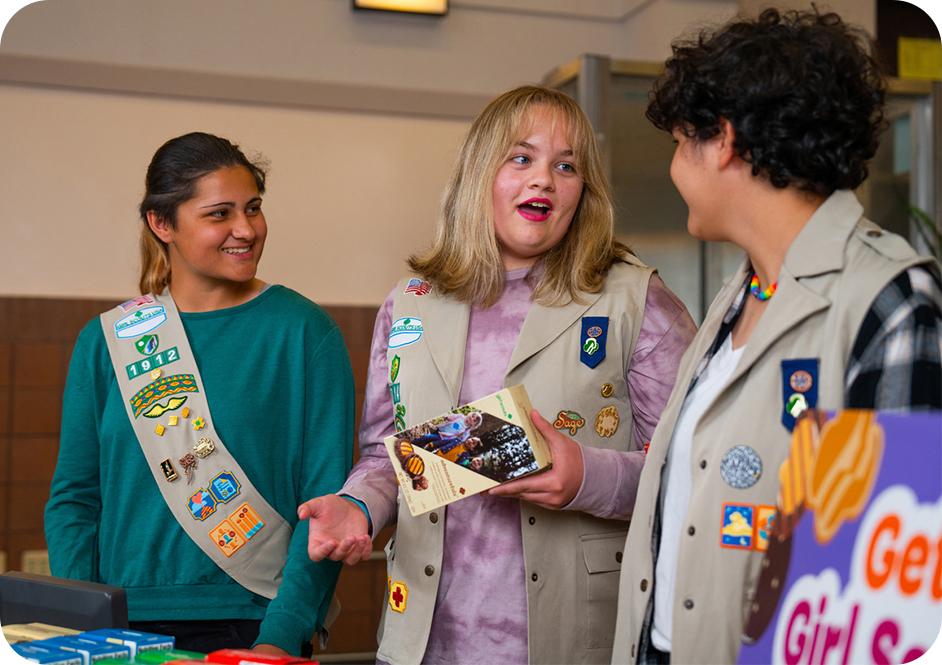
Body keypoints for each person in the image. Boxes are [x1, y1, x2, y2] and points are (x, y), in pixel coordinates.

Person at [297, 86, 697, 665]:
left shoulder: (637, 301)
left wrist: (585, 473)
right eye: (521, 157)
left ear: (584, 191)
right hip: (422, 641)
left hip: (570, 639)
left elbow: (690, 473)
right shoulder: (410, 305)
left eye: (566, 165)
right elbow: (390, 461)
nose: (544, 180)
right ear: (480, 171)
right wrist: (355, 506)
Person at [610, 9, 942, 664]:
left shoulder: (889, 307)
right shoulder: (740, 295)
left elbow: (883, 616)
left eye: (681, 142)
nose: (676, 166)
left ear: (724, 140)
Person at [44, 132, 354, 656]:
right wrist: (85, 620)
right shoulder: (108, 341)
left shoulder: (302, 332)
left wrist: (283, 635)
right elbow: (75, 497)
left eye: (253, 209)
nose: (246, 230)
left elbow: (326, 502)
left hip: (253, 621)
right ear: (162, 224)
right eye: (219, 214)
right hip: (119, 626)